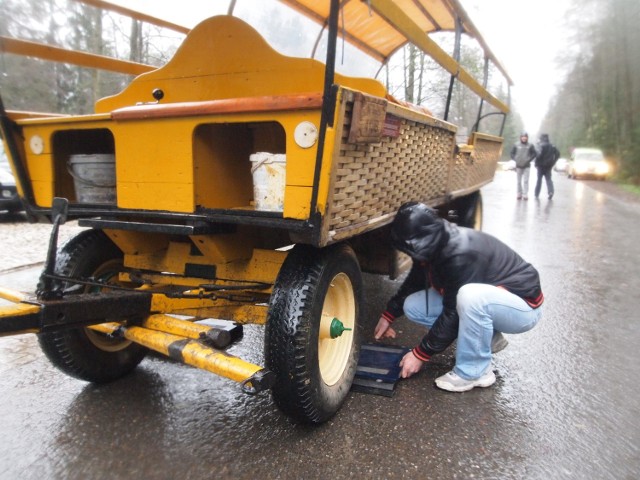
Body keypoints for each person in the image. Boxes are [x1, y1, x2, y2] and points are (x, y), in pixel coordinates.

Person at [374, 202, 544, 392]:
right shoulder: (434, 245)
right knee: (414, 305)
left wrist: (420, 354)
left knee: (469, 297)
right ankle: (488, 339)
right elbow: (415, 280)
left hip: (522, 307)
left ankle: (474, 372)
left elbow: (453, 312)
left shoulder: (460, 254)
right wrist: (389, 314)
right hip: (493, 302)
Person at [510, 132, 537, 200]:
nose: (524, 138)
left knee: (526, 181)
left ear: (527, 138)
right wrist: (515, 159)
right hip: (518, 165)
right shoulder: (516, 144)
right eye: (523, 136)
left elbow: (534, 153)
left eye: (525, 137)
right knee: (519, 181)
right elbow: (512, 153)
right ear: (521, 137)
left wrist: (529, 159)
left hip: (526, 166)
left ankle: (525, 194)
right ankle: (519, 193)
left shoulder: (530, 145)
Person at [534, 133, 560, 199]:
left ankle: (537, 193)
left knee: (539, 180)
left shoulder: (541, 145)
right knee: (548, 179)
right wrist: (553, 162)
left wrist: (536, 163)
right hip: (549, 166)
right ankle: (550, 192)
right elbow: (558, 154)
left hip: (540, 166)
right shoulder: (552, 146)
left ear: (541, 138)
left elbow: (538, 155)